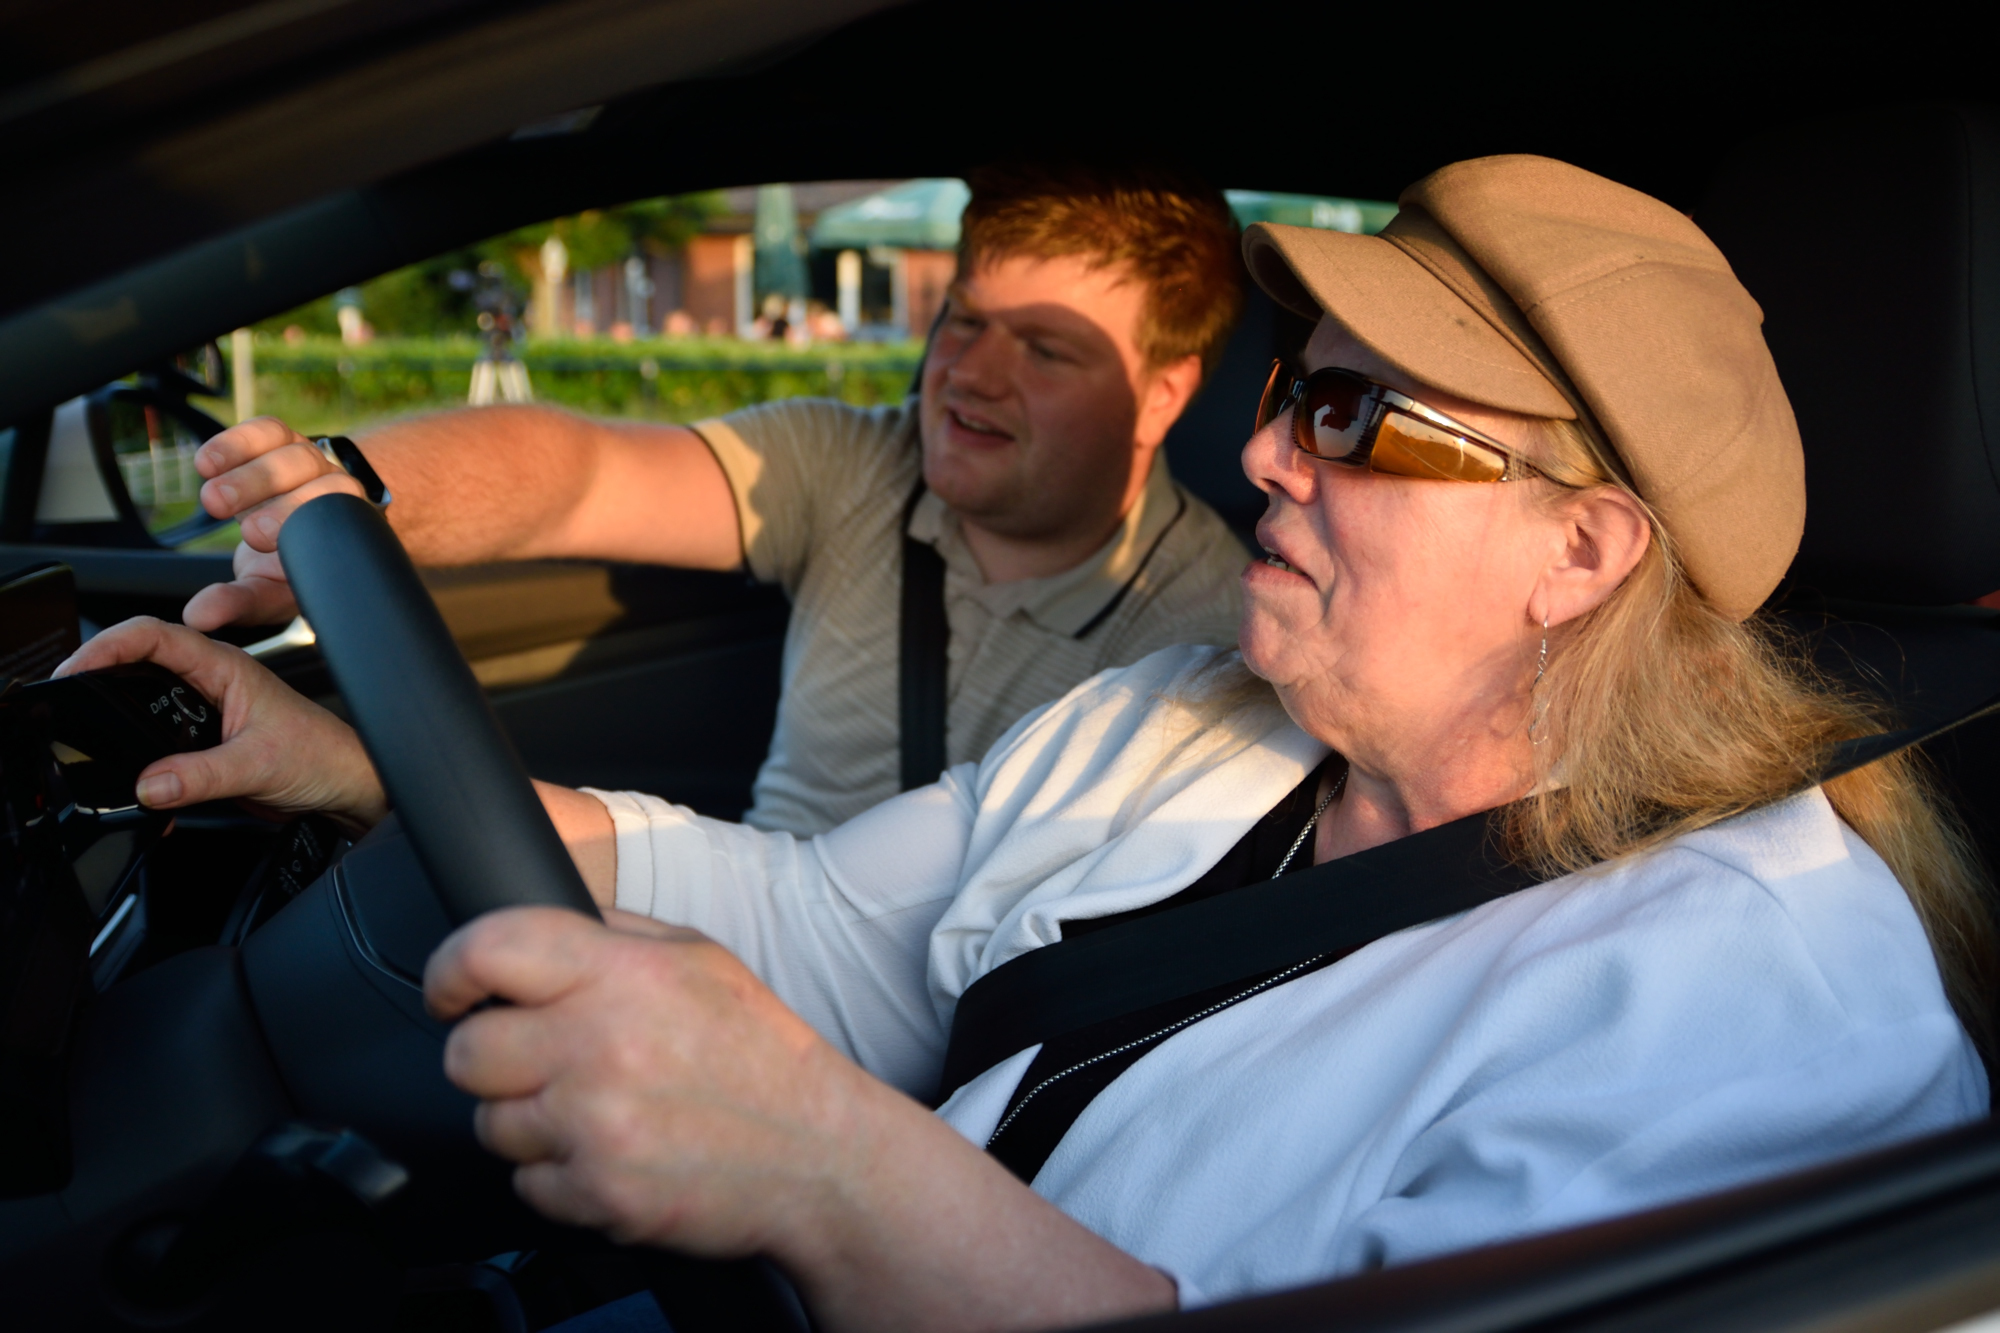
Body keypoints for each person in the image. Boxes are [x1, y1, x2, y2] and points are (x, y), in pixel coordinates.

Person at [70, 155, 1993, 1331]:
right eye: (1291, 392)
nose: (1261, 453)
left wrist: (831, 1166)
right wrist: (371, 770)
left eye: (1357, 421)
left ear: (1584, 549)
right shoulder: (1195, 721)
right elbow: (825, 925)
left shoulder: (1761, 1005)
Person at [179, 165, 1251, 835]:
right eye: (963, 321)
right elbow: (576, 472)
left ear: (1162, 395)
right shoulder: (849, 463)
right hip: (716, 970)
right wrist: (340, 502)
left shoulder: (1217, 640)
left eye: (1047, 350)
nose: (970, 372)